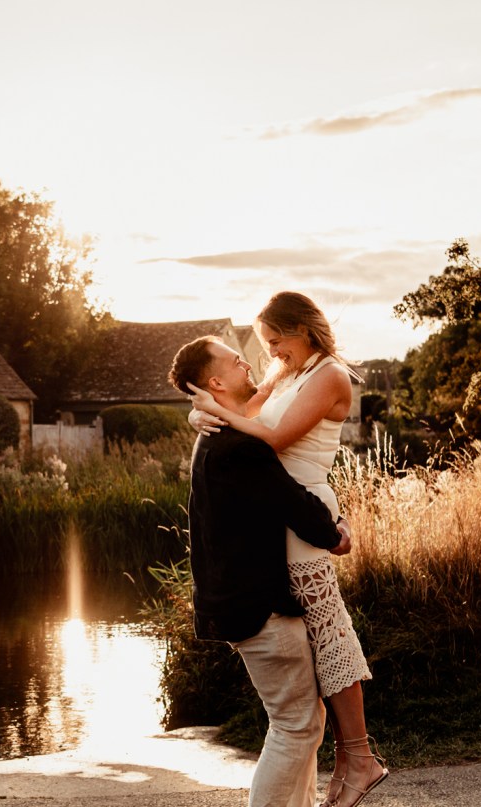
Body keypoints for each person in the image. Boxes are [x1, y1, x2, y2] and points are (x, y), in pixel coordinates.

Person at [188, 291, 388, 807]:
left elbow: (268, 439)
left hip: (303, 513)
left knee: (329, 631)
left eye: (277, 341)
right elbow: (244, 412)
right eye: (266, 346)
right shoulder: (286, 372)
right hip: (284, 516)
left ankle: (359, 756)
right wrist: (204, 414)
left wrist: (216, 410)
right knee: (320, 642)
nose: (271, 353)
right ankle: (352, 757)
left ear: (302, 328)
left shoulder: (329, 375)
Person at [168, 335, 352, 807]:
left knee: (303, 723)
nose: (248, 365)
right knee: (295, 725)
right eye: (236, 362)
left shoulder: (215, 434)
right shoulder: (236, 446)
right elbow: (289, 501)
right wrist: (335, 533)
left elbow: (262, 394)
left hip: (241, 603)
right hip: (259, 608)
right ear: (215, 381)